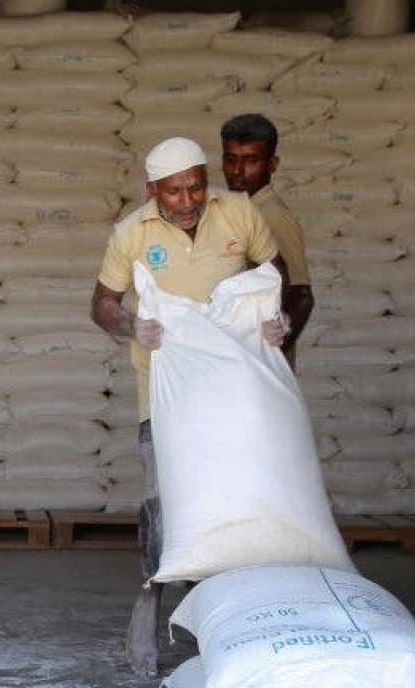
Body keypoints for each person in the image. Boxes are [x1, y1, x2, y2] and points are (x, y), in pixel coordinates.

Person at [89, 137, 290, 676]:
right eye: (174, 191)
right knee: (163, 506)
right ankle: (152, 601)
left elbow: (278, 274)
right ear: (152, 190)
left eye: (196, 185)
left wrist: (278, 319)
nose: (186, 200)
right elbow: (102, 302)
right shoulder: (131, 234)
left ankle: (230, 624)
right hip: (164, 394)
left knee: (235, 505)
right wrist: (133, 325)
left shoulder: (240, 214)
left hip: (233, 393)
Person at [221, 113, 315, 368]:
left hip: (262, 364)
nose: (238, 172)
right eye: (231, 160)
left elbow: (301, 294)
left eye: (251, 161)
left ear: (272, 164)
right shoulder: (242, 211)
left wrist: (273, 350)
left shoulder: (271, 215)